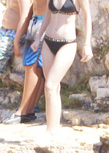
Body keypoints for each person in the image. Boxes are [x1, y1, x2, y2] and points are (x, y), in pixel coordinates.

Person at [31, 0, 92, 134]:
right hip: (48, 42)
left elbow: (87, 17)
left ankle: (50, 131)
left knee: (50, 86)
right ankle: (53, 129)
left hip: (67, 43)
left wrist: (87, 44)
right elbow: (47, 14)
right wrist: (38, 38)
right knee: (53, 88)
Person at [3, 0, 46, 124]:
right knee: (32, 65)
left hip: (43, 22)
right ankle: (29, 109)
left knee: (33, 65)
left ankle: (23, 111)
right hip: (35, 20)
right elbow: (30, 10)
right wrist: (18, 38)